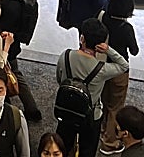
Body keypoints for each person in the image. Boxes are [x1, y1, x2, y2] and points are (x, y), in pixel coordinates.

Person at [55, 18, 130, 157]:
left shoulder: (65, 55)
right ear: (100, 44)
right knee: (87, 150)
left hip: (66, 108)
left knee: (63, 145)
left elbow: (59, 80)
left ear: (82, 38)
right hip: (91, 115)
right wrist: (108, 50)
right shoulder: (102, 69)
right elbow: (124, 66)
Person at [0, 0, 43, 122]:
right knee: (14, 74)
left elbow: (5, 29)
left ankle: (30, 109)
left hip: (8, 47)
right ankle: (31, 109)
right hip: (10, 45)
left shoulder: (11, 4)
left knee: (13, 75)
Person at [99, 0, 140, 153]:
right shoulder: (126, 28)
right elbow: (134, 50)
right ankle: (110, 143)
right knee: (115, 107)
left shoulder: (103, 18)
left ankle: (103, 129)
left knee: (104, 101)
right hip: (119, 70)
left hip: (102, 67)